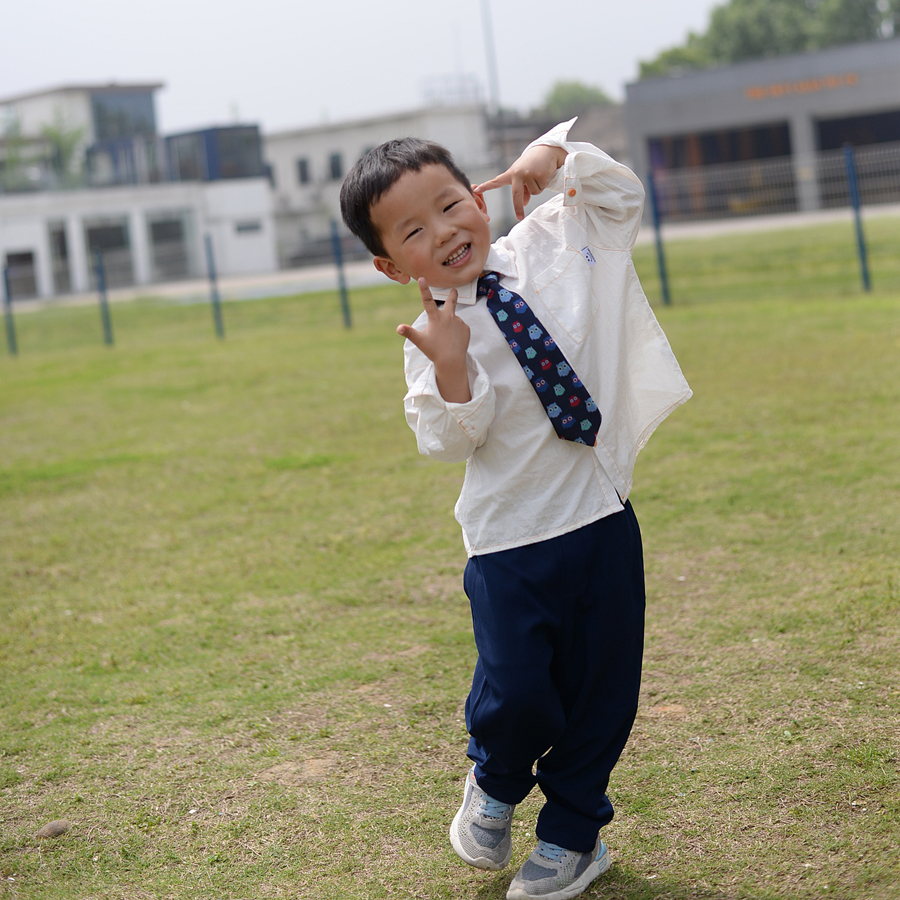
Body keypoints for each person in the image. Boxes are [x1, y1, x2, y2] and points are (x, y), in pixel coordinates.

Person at [340, 119, 691, 900]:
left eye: (451, 202)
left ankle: (572, 838)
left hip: (600, 518)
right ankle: (495, 783)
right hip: (508, 544)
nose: (446, 229)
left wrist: (555, 153)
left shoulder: (549, 244)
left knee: (604, 692)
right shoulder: (433, 334)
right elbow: (447, 440)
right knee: (519, 692)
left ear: (477, 193)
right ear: (390, 264)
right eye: (414, 230)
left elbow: (619, 195)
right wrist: (455, 370)